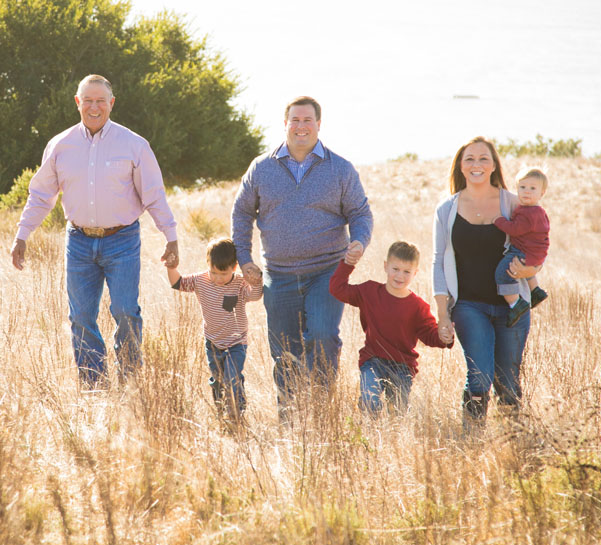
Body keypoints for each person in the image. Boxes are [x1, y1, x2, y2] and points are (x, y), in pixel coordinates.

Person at [10, 74, 179, 386]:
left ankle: (129, 383)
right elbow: (41, 195)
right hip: (78, 242)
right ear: (77, 103)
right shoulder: (60, 145)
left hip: (122, 241)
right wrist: (23, 234)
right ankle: (94, 387)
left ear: (111, 104)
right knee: (81, 317)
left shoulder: (134, 145)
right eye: (87, 100)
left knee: (127, 311)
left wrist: (171, 236)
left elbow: (154, 194)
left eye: (101, 100)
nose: (94, 106)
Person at [231, 96, 373, 415]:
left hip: (327, 271)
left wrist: (359, 242)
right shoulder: (262, 168)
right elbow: (241, 213)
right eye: (295, 120)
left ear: (319, 125)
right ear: (285, 124)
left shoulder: (340, 169)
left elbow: (361, 213)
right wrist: (245, 258)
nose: (301, 126)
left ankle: (321, 411)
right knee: (285, 351)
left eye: (307, 120)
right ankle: (291, 415)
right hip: (278, 275)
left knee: (322, 335)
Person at [432, 137, 540, 428]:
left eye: (483, 158)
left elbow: (537, 245)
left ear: (494, 165)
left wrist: (531, 268)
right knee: (479, 375)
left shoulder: (514, 204)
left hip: (513, 307)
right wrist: (442, 314)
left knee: (507, 380)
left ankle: (512, 443)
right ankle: (472, 440)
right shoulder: (447, 210)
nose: (476, 164)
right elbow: (438, 262)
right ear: (460, 166)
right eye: (470, 159)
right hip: (468, 306)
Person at [329, 240, 454, 417]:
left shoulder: (418, 306)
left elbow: (429, 335)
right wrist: (348, 264)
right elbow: (338, 289)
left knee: (397, 413)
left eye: (406, 272)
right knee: (370, 401)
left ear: (415, 273)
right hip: (372, 360)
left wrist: (444, 337)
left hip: (402, 367)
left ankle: (392, 439)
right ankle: (369, 435)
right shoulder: (369, 291)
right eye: (395, 269)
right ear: (386, 266)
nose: (400, 276)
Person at [165, 238, 262, 420]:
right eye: (213, 272)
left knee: (232, 378)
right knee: (218, 380)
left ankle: (235, 414)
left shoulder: (240, 284)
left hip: (236, 342)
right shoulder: (200, 281)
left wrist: (256, 281)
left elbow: (255, 296)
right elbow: (177, 283)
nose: (218, 278)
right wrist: (171, 267)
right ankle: (221, 412)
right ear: (208, 265)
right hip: (213, 342)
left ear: (234, 268)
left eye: (223, 274)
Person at [492, 167, 550, 326]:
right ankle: (535, 290)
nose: (527, 191)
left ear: (542, 193)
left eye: (533, 188)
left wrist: (499, 221)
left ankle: (516, 304)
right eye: (522, 187)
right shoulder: (538, 211)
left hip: (524, 250)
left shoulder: (528, 213)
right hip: (535, 252)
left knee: (503, 273)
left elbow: (515, 229)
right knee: (524, 268)